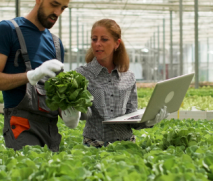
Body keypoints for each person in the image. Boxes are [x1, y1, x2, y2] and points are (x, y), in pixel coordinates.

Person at [0, 0, 72, 152]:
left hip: (51, 129)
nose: (58, 12)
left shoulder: (56, 44)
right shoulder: (8, 30)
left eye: (63, 8)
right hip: (22, 126)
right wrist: (32, 75)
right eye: (54, 4)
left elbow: (54, 94)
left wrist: (70, 111)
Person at [71, 19, 169, 147]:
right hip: (95, 144)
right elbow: (82, 114)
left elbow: (131, 115)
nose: (97, 44)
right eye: (94, 39)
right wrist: (74, 112)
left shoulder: (128, 76)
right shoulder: (82, 74)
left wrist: (149, 120)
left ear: (117, 44)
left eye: (104, 39)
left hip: (126, 144)